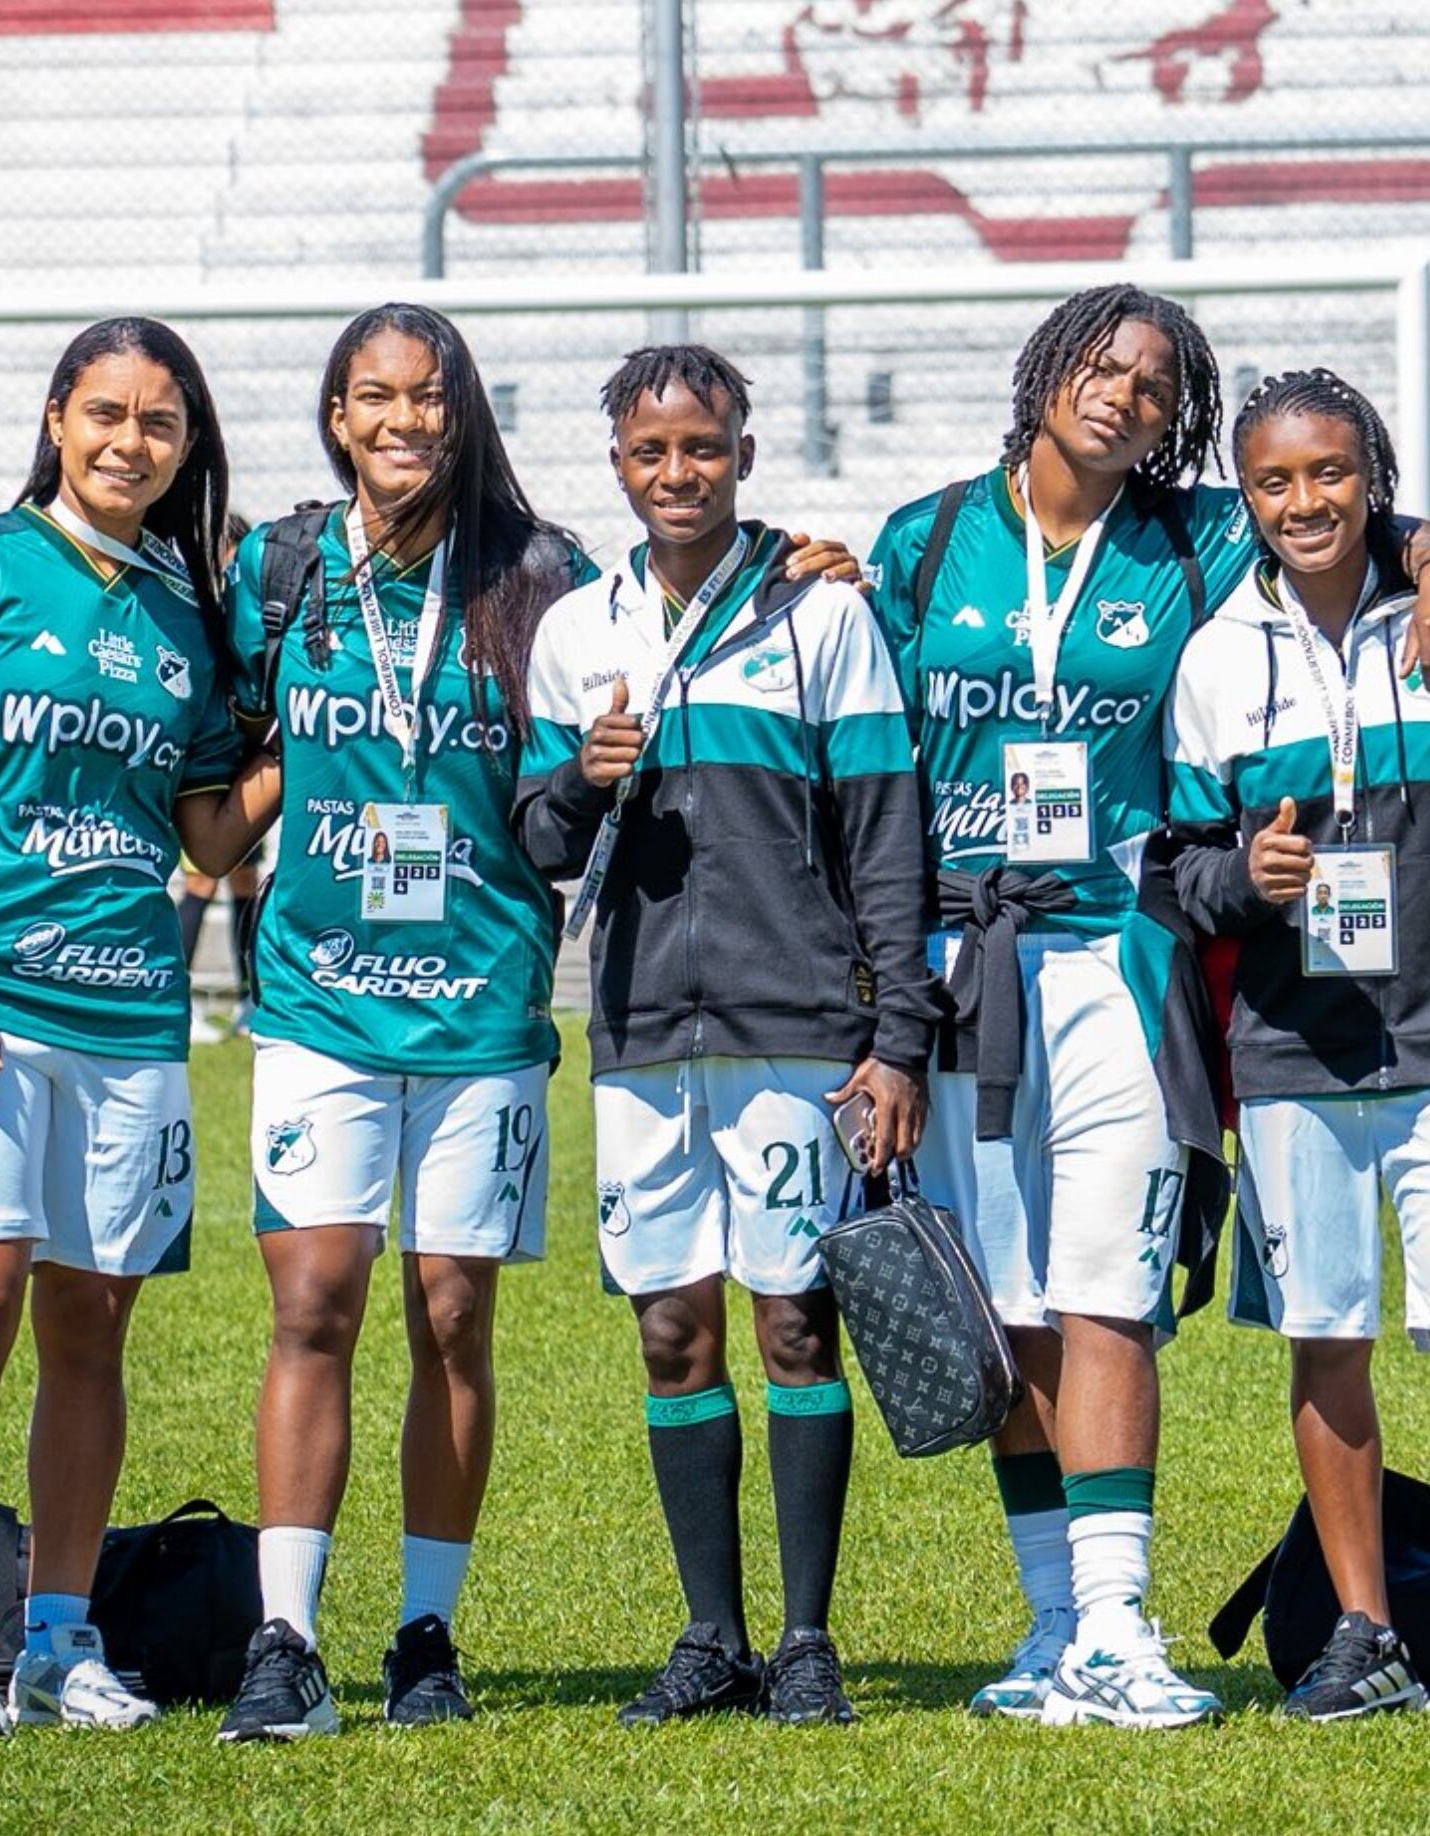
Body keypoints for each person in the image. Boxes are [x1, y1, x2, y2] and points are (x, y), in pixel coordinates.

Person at [865, 284, 1430, 1728]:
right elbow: (881, 775)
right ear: (1043, 371)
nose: (1126, 395)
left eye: (1157, 385)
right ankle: (1048, 1632)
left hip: (1123, 958)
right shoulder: (924, 539)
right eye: (1104, 365)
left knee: (1110, 1299)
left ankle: (1122, 1629)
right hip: (970, 967)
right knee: (1013, 1311)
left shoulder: (1196, 536)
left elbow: (1341, 515)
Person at [0, 317, 277, 1740]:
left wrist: (300, 738)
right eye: (106, 414)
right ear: (56, 417)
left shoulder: (184, 615)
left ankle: (56, 1639)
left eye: (160, 426)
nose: (130, 444)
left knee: (90, 1327)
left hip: (129, 1017)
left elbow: (209, 841)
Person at [515, 345, 941, 1728]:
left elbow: (887, 839)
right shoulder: (581, 628)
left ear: (744, 454)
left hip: (797, 1028)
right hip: (644, 1034)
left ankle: (807, 1639)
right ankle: (712, 1635)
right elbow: (535, 840)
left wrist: (897, 1038)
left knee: (795, 1319)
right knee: (671, 1328)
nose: (679, 473)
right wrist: (583, 782)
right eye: (652, 454)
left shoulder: (819, 613)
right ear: (621, 469)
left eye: (704, 447)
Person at [215, 302, 594, 1740]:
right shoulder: (280, 567)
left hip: (484, 1006)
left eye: (428, 399)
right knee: (314, 1300)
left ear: (465, 412)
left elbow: (653, 654)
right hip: (318, 999)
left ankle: (424, 1636)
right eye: (373, 398)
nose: (402, 423)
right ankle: (283, 1639)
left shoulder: (544, 573)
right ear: (334, 415)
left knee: (451, 1315)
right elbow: (227, 736)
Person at [1164, 369, 1430, 1725]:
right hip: (1293, 1060)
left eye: (1330, 473)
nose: (1303, 502)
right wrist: (1245, 879)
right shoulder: (1218, 658)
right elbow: (1174, 869)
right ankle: (1364, 1632)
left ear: (1373, 477)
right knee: (1324, 1345)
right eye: (1274, 482)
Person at [181, 512, 267, 1045]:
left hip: (244, 756)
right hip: (206, 765)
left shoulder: (247, 616)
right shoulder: (199, 617)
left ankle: (248, 1002)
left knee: (243, 882)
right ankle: (173, 995)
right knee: (200, 879)